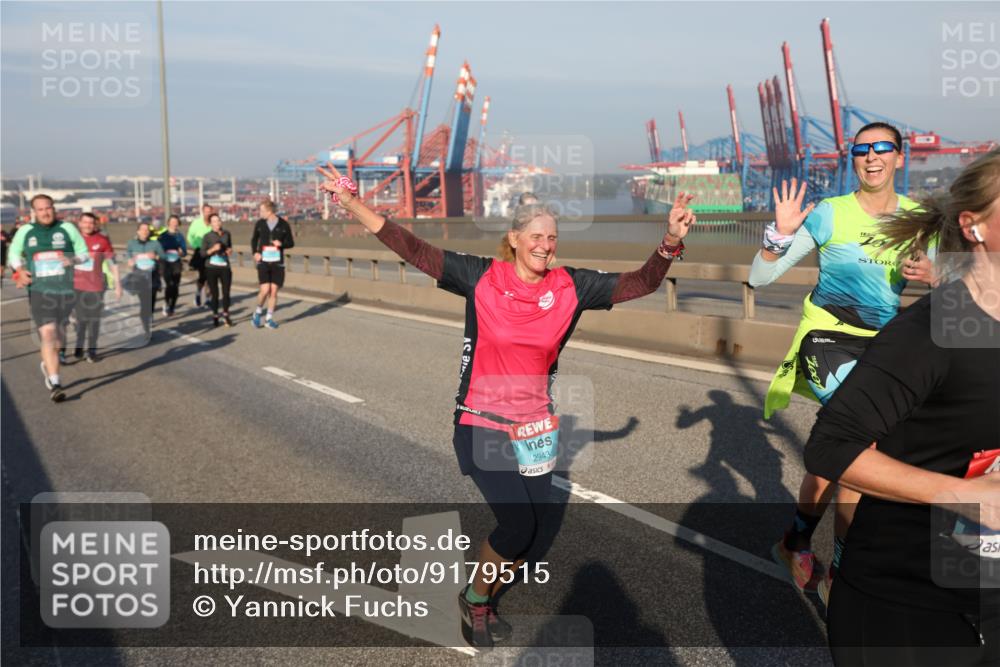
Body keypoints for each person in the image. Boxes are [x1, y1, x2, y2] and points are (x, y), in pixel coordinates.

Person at [317, 162, 695, 649]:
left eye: (552, 237)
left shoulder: (570, 287)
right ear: (514, 239)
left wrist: (670, 241)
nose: (545, 245)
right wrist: (353, 204)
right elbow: (413, 249)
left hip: (535, 430)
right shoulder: (481, 277)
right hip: (482, 422)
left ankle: (487, 594)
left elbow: (641, 283)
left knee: (532, 538)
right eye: (536, 235)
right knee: (517, 526)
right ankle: (475, 598)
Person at [804, 148, 1000, 667]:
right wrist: (962, 495)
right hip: (905, 608)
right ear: (974, 227)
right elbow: (829, 447)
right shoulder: (929, 333)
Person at [749, 122, 936, 602]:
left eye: (882, 148)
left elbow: (958, 286)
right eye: (861, 149)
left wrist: (936, 276)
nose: (871, 156)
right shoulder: (830, 213)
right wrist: (779, 235)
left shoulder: (919, 219)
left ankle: (794, 542)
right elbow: (761, 277)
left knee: (838, 451)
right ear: (853, 159)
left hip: (883, 347)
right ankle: (841, 572)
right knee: (862, 445)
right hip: (827, 337)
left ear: (899, 157)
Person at [7, 195, 90, 401]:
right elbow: (14, 254)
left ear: (54, 208)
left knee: (59, 337)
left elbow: (84, 253)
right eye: (40, 209)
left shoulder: (67, 228)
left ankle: (49, 361)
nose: (45, 212)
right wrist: (19, 270)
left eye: (48, 208)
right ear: (34, 212)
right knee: (48, 333)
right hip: (40, 290)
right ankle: (55, 382)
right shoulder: (26, 231)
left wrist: (72, 259)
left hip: (66, 290)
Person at [69, 212, 120, 362]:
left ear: (95, 224)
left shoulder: (102, 240)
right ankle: (79, 344)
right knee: (81, 319)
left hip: (96, 286)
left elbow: (113, 263)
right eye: (85, 222)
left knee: (94, 319)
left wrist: (118, 284)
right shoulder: (71, 240)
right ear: (79, 223)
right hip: (76, 286)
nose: (88, 225)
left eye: (91, 223)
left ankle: (92, 350)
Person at [250, 199, 295, 329]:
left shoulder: (283, 224)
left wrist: (281, 244)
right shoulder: (260, 224)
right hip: (263, 261)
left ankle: (269, 319)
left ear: (269, 211)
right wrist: (255, 253)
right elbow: (254, 240)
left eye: (262, 211)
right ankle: (258, 312)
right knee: (265, 290)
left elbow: (291, 243)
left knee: (274, 291)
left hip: (277, 262)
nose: (260, 213)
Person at [125, 222, 165, 337]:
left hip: (153, 276)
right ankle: (146, 329)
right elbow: (128, 257)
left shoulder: (155, 244)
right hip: (139, 277)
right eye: (142, 229)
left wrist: (156, 256)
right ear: (138, 231)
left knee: (151, 302)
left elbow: (164, 257)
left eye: (147, 230)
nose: (145, 231)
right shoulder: (131, 243)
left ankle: (149, 316)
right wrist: (131, 260)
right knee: (144, 303)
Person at [201, 213, 233, 327]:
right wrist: (213, 249)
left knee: (226, 292)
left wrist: (229, 251)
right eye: (214, 221)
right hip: (211, 268)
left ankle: (226, 315)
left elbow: (229, 247)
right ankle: (215, 315)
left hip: (225, 267)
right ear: (210, 224)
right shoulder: (207, 236)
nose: (217, 223)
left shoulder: (227, 234)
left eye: (218, 220)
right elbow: (202, 253)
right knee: (215, 294)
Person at [158, 215, 187, 316]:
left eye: (176, 222)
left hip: (176, 263)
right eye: (172, 221)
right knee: (169, 284)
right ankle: (166, 303)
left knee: (175, 285)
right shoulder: (162, 236)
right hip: (165, 263)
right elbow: (157, 249)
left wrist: (181, 252)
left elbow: (184, 252)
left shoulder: (180, 236)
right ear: (168, 223)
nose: (174, 223)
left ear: (178, 223)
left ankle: (172, 306)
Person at [186, 203, 213, 307]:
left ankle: (208, 298)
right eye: (206, 211)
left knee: (210, 277)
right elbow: (190, 236)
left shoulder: (213, 223)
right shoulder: (196, 223)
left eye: (209, 211)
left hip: (211, 253)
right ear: (202, 212)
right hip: (200, 252)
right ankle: (198, 293)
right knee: (202, 276)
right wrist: (195, 246)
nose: (208, 213)